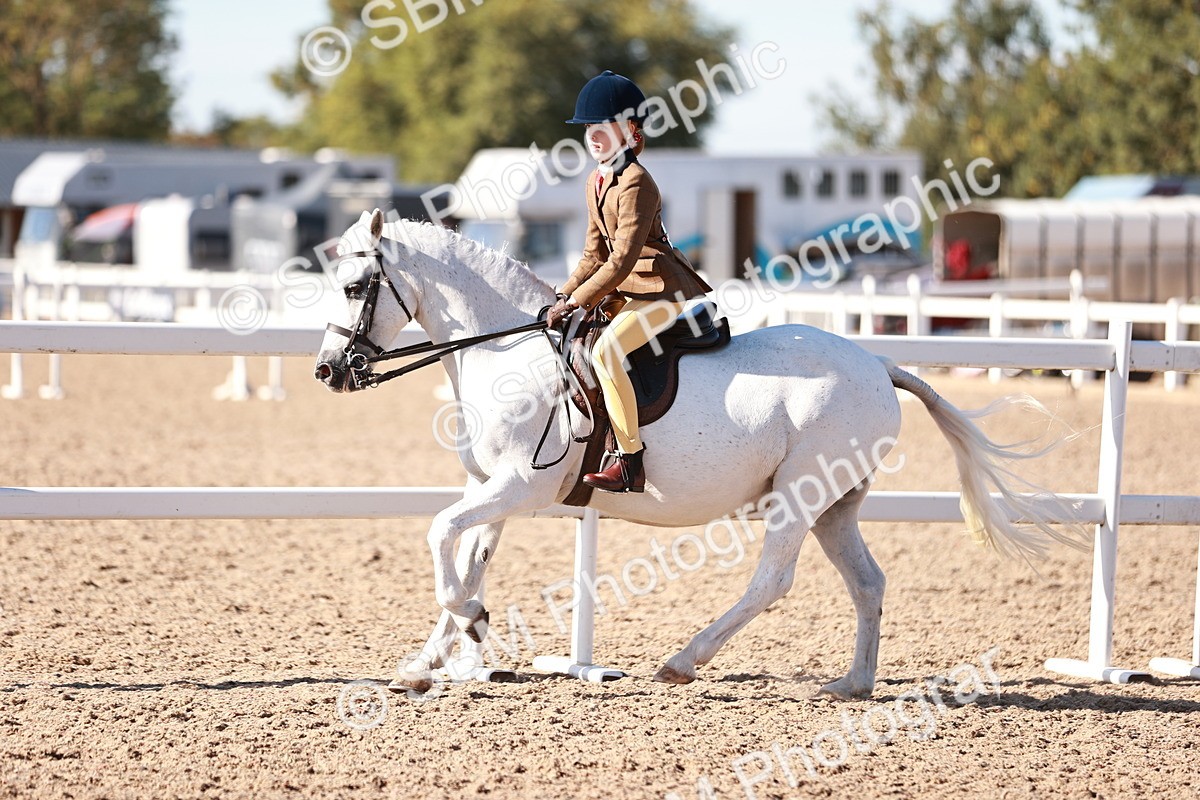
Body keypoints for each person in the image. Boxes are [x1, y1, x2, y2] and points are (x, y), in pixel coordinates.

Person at [547, 70, 713, 493]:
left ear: (631, 130)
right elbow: (593, 255)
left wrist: (579, 300)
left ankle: (629, 461)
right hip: (626, 290)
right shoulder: (596, 180)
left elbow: (620, 260)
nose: (593, 134)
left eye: (603, 126)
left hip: (660, 289)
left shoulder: (637, 182)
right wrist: (563, 294)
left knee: (606, 351)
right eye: (589, 127)